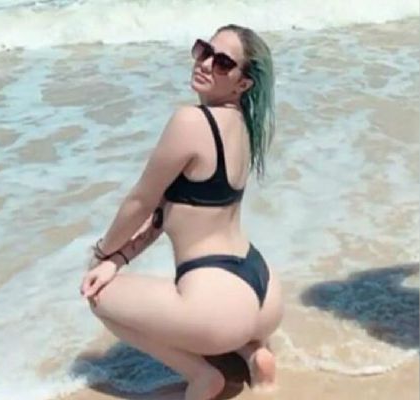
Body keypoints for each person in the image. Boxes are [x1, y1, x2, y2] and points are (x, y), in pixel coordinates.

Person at [79, 24, 284, 400]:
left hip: (218, 298)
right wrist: (119, 258)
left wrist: (102, 255)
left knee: (98, 296)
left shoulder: (191, 121)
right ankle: (252, 351)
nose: (205, 63)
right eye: (204, 51)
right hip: (263, 289)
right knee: (220, 321)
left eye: (223, 63)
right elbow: (165, 212)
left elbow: (141, 201)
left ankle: (201, 375)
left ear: (243, 84)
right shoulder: (243, 124)